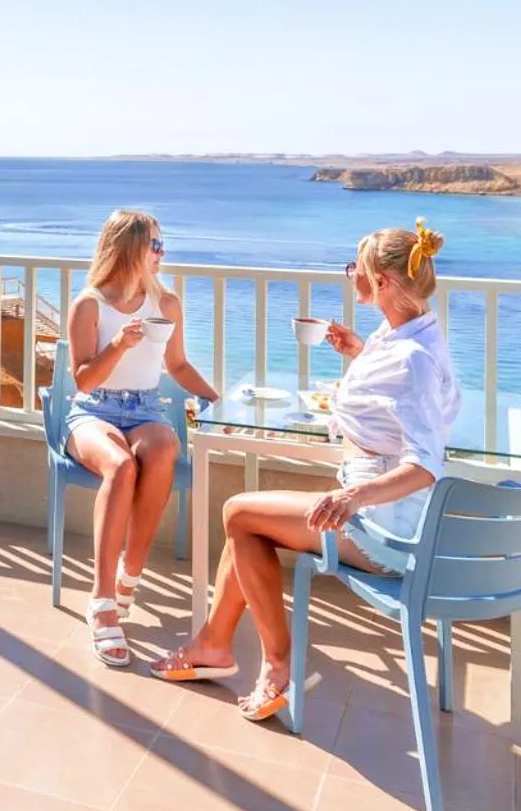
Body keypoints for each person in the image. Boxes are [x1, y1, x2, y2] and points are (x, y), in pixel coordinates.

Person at [150, 219, 459, 720]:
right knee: (246, 528)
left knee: (237, 512)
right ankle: (214, 646)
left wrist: (352, 500)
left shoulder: (413, 358)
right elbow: (402, 393)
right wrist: (359, 353)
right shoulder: (406, 331)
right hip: (382, 509)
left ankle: (277, 663)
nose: (348, 275)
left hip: (386, 531)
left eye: (353, 268)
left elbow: (425, 464)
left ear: (381, 281)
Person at [64, 209, 221, 667]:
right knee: (121, 465)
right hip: (93, 412)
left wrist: (217, 400)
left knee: (163, 450)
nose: (161, 252)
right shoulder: (89, 305)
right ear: (131, 248)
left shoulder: (166, 304)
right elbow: (85, 382)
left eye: (161, 243)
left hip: (145, 408)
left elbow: (178, 365)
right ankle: (102, 599)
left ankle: (131, 571)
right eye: (154, 244)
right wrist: (120, 345)